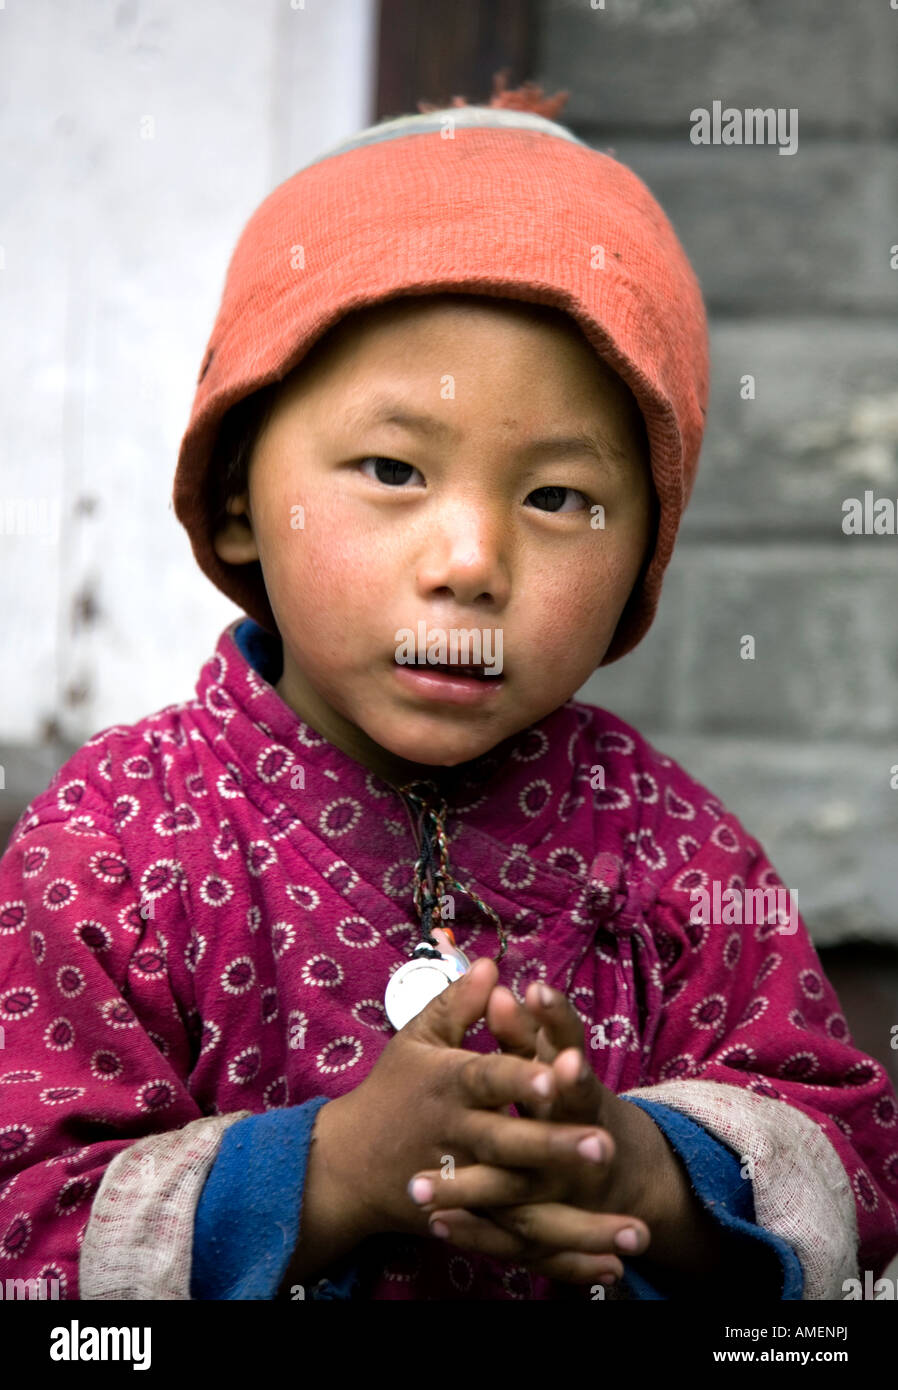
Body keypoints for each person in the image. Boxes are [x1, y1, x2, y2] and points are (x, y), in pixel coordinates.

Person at [2, 75, 896, 1303]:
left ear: (646, 551)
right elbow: (23, 1221)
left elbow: (848, 1158)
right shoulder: (106, 849)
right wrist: (319, 1179)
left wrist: (651, 1173)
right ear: (233, 498)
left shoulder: (678, 857)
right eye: (390, 468)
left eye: (556, 498)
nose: (472, 562)